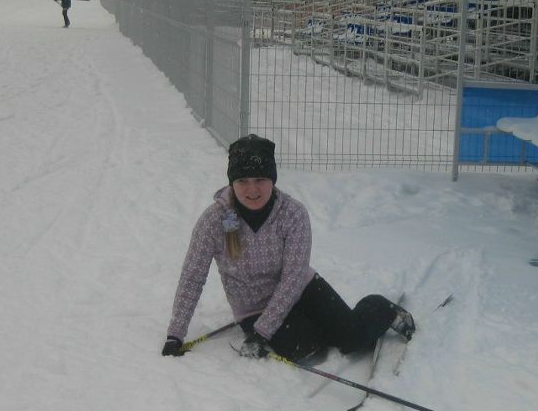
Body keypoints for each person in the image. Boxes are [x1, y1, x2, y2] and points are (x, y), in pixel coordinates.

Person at [162, 134, 415, 362]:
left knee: (351, 339)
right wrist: (175, 335)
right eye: (243, 181)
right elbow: (192, 276)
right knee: (303, 347)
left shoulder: (293, 214)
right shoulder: (214, 221)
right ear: (232, 183)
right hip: (255, 308)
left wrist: (263, 333)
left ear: (272, 179)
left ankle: (382, 308)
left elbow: (294, 276)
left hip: (302, 289)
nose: (252, 190)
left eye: (260, 179)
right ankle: (308, 326)